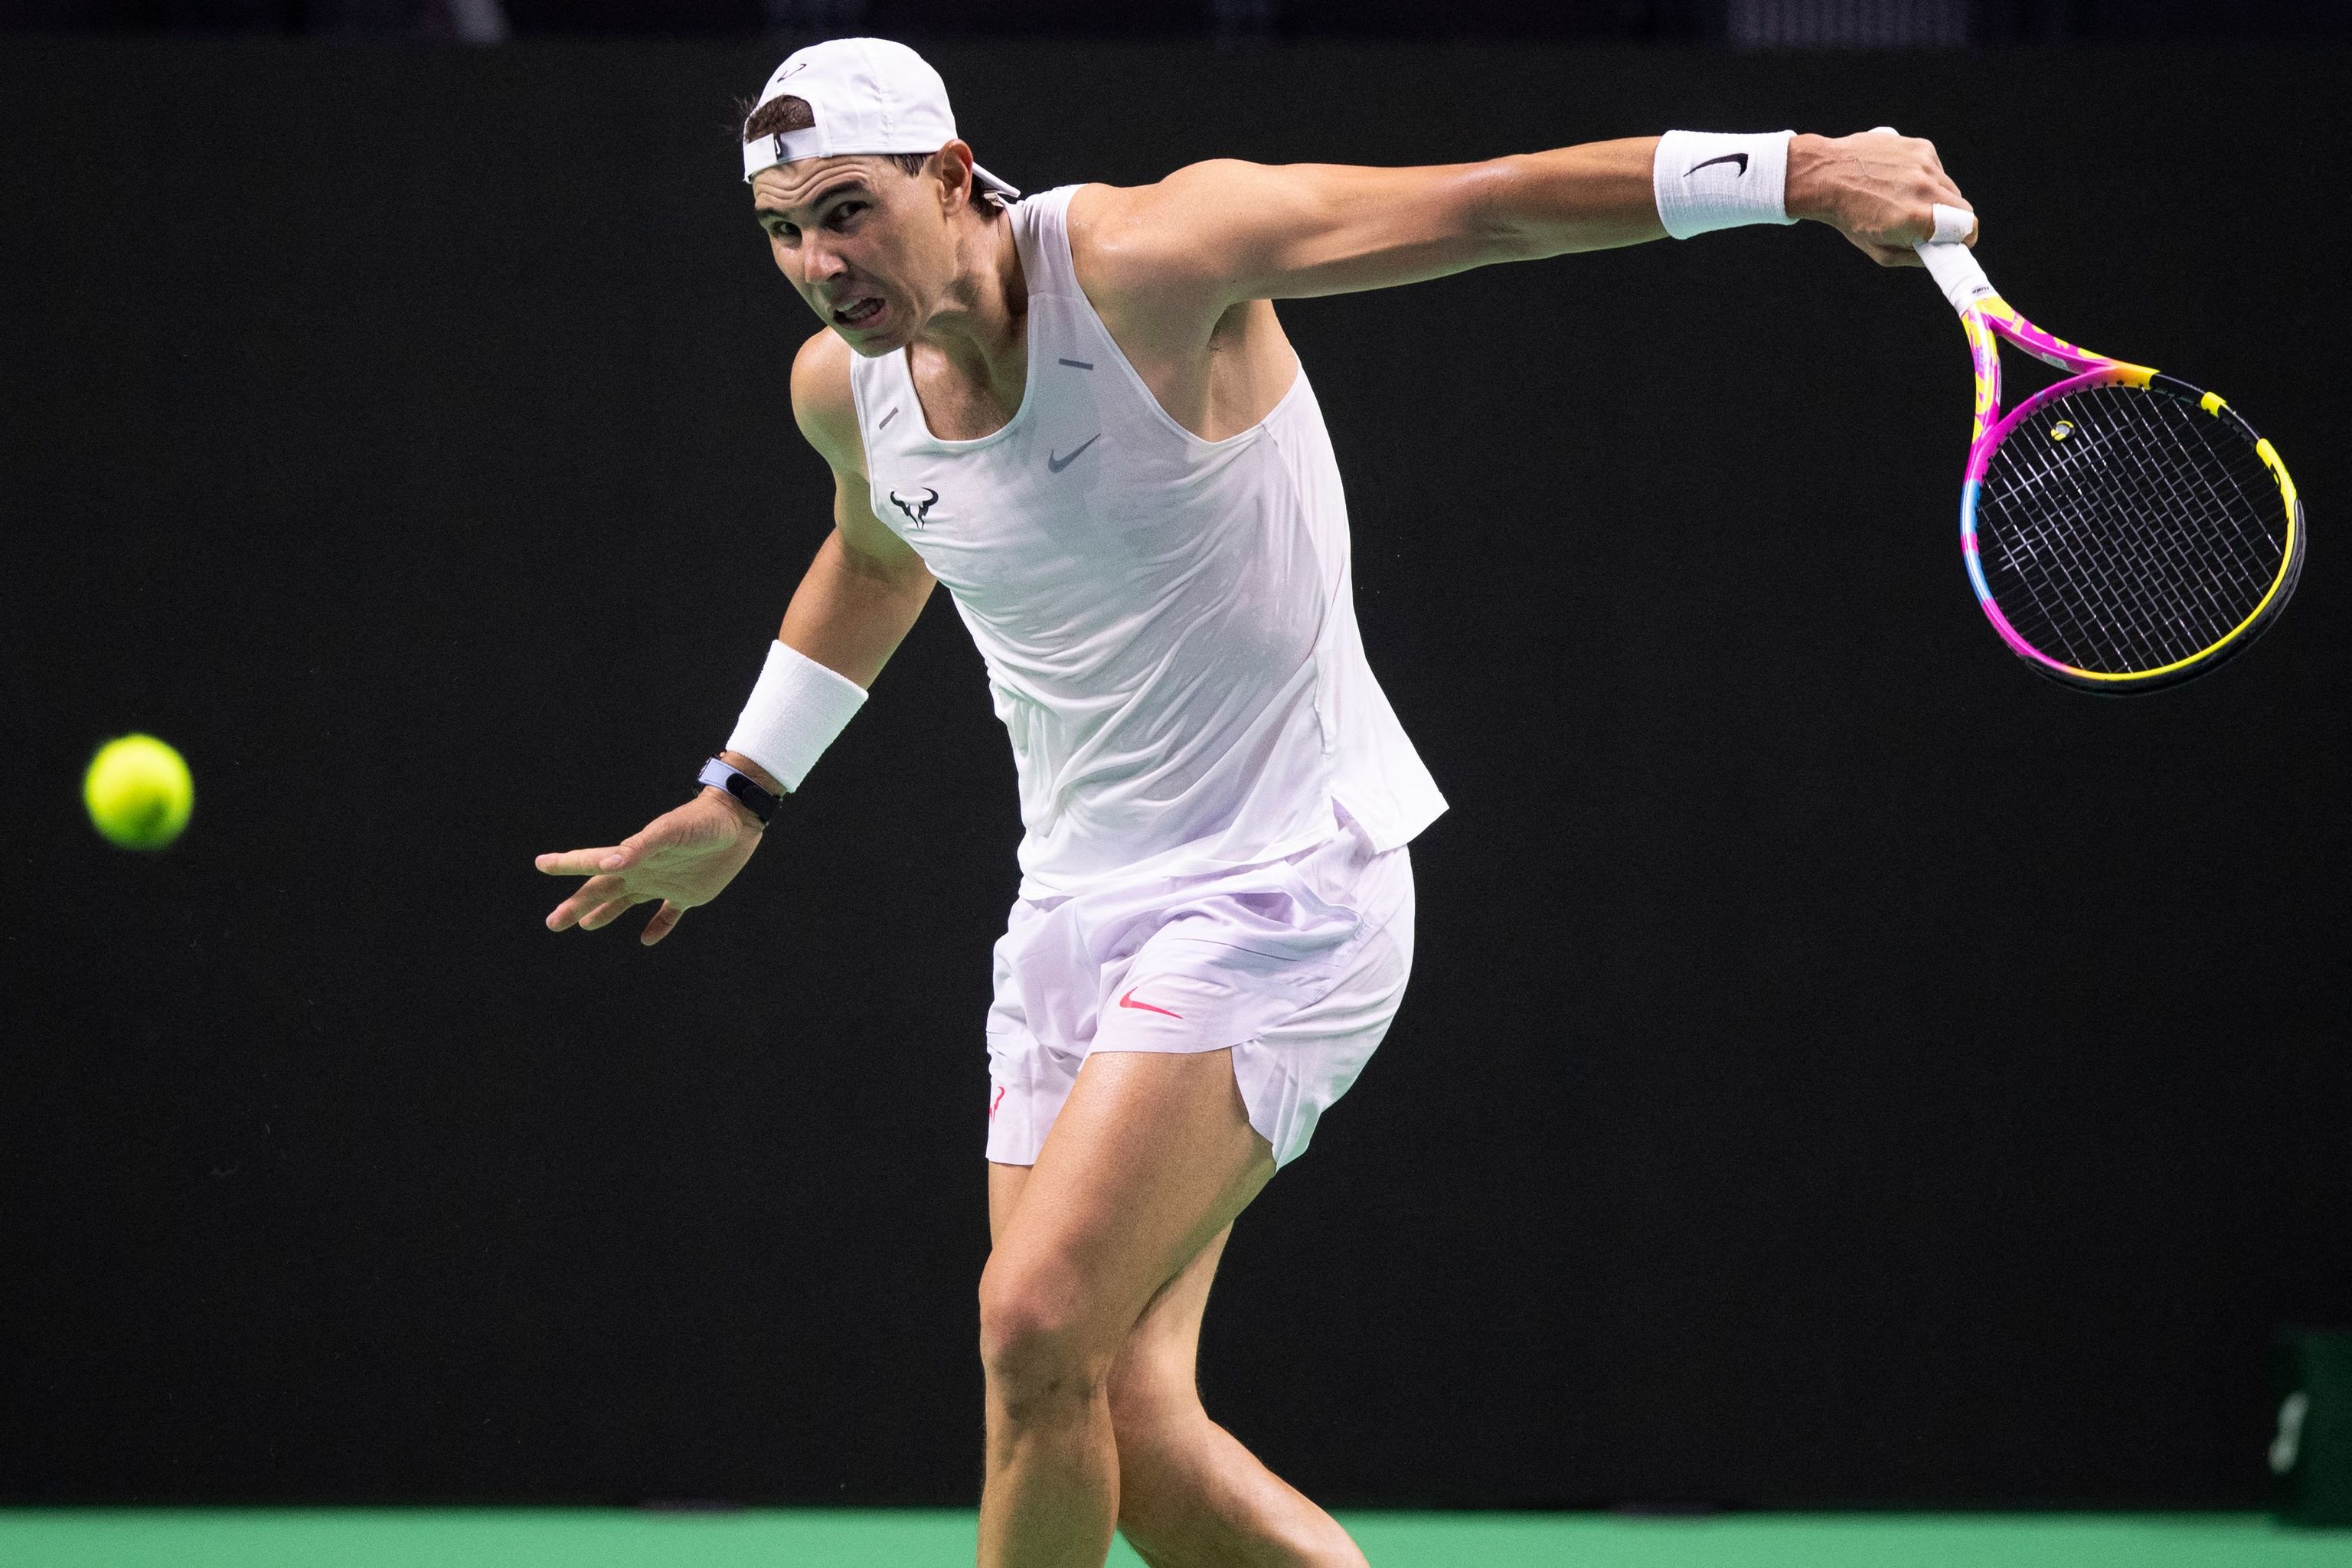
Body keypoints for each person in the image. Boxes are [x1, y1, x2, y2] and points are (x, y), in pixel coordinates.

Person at [534, 36, 1976, 1568]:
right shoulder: (849, 388)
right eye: (780, 234)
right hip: (1070, 921)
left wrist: (1801, 170)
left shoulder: (1159, 258)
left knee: (1030, 1321)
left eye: (847, 210)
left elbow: (1483, 205)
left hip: (1290, 888)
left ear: (951, 176)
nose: (819, 263)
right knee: (1123, 1430)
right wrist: (741, 793)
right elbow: (883, 556)